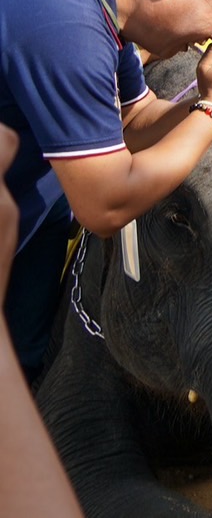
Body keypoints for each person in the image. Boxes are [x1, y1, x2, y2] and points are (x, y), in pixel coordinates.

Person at [0, 0, 212, 380]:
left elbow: (136, 119)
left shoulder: (96, 1)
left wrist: (210, 92)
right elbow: (105, 206)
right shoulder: (65, 27)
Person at [0, 123, 81, 516]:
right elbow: (106, 201)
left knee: (26, 350)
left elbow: (136, 105)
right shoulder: (64, 59)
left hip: (45, 200)